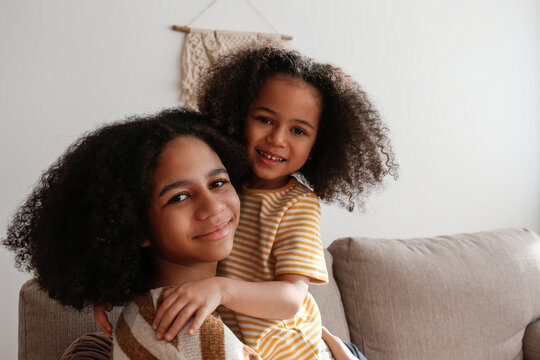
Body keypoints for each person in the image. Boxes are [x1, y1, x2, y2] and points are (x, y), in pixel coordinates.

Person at [121, 46, 398, 360]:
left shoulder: (297, 205)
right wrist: (116, 295)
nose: (278, 139)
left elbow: (292, 297)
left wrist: (220, 289)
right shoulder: (222, 189)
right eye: (265, 119)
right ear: (240, 118)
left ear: (315, 148)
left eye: (298, 130)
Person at [2, 108, 263, 359]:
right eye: (179, 197)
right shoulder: (190, 331)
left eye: (217, 183)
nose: (213, 206)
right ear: (135, 226)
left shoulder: (145, 313)